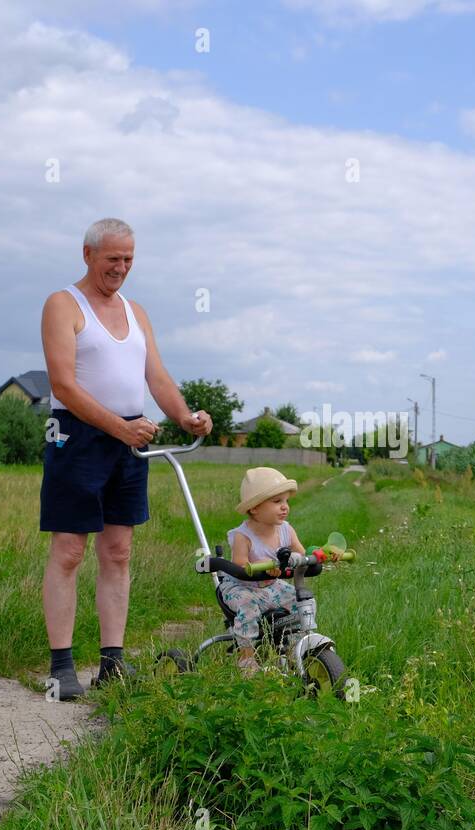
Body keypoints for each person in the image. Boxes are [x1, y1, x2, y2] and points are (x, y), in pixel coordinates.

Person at [40, 217, 213, 700]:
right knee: (70, 551)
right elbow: (63, 385)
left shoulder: (136, 311)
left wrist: (185, 416)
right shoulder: (62, 305)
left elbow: (154, 374)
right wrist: (119, 428)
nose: (121, 268)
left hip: (131, 438)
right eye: (113, 258)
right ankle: (61, 668)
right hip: (76, 438)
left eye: (129, 259)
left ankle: (112, 663)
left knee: (118, 551)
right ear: (88, 254)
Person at [220, 467, 308, 676]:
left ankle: (290, 648)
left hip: (271, 586)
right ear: (255, 508)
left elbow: (300, 552)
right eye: (277, 502)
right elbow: (240, 564)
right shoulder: (243, 536)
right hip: (242, 587)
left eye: (286, 501)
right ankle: (247, 658)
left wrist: (300, 560)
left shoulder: (286, 529)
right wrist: (267, 566)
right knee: (248, 607)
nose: (284, 507)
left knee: (298, 601)